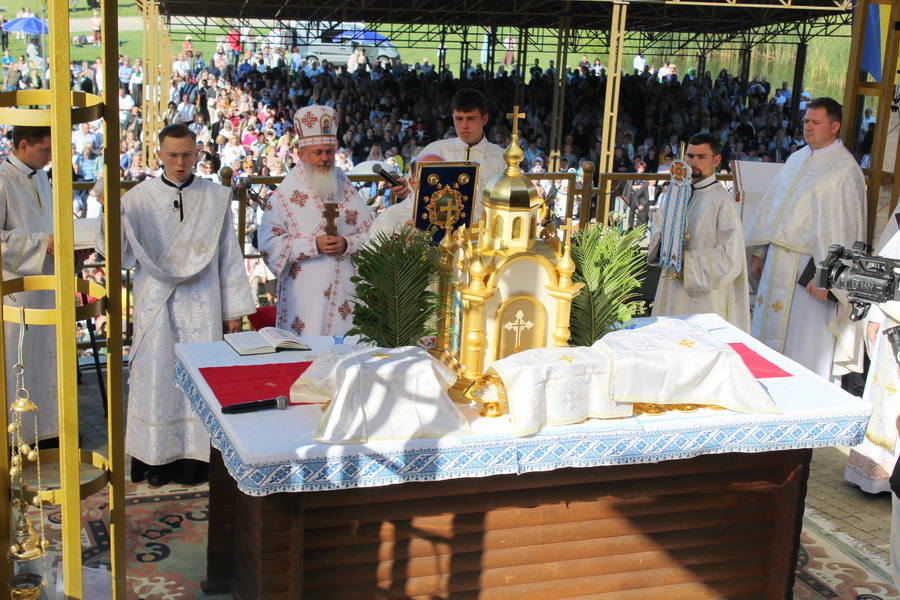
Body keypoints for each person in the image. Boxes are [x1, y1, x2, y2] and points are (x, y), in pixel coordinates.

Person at [96, 123, 255, 486]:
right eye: (172, 155)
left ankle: (198, 463)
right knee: (157, 379)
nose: (180, 162)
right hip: (156, 303)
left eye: (186, 155)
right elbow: (116, 254)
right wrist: (109, 212)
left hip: (204, 302)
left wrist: (232, 310)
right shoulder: (138, 199)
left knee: (201, 380)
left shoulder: (215, 198)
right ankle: (155, 462)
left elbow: (228, 255)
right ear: (159, 155)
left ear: (197, 153)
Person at [743, 97, 866, 378]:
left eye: (815, 122)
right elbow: (773, 208)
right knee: (768, 342)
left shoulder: (845, 170)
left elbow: (847, 230)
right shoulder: (797, 158)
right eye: (806, 121)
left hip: (810, 273)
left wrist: (828, 277)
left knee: (805, 346)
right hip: (777, 263)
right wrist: (761, 253)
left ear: (834, 127)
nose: (807, 127)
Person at [258, 105, 374, 337]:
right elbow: (269, 246)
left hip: (345, 295)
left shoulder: (345, 187)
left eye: (330, 152)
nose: (325, 158)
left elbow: (373, 235)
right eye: (318, 152)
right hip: (304, 299)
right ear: (301, 154)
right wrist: (313, 245)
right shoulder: (285, 195)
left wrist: (346, 243)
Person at [649, 133, 750, 332]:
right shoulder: (677, 194)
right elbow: (658, 226)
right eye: (690, 156)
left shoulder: (722, 202)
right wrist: (662, 241)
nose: (693, 162)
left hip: (706, 301)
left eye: (701, 157)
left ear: (716, 160)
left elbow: (731, 258)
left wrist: (686, 259)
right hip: (672, 291)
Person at [0, 126, 62, 444]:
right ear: (23, 145)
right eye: (45, 149)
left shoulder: (40, 176)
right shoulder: (2, 180)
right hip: (17, 289)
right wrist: (42, 243)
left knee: (47, 358)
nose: (50, 156)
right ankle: (17, 437)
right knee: (19, 358)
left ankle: (48, 430)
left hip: (47, 283)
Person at [390, 89, 505, 225]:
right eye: (459, 119)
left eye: (471, 119)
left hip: (485, 232)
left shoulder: (501, 158)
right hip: (435, 231)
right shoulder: (434, 151)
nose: (464, 125)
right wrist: (404, 190)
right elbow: (412, 194)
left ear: (484, 119)